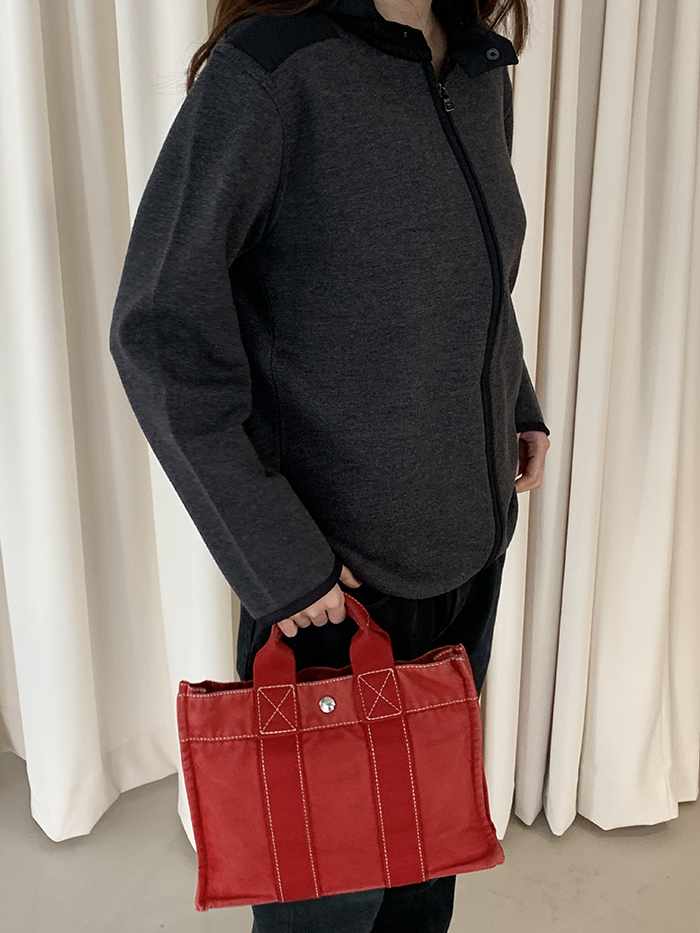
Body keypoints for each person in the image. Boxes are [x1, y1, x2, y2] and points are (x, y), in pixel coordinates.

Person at [109, 0, 550, 929]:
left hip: (467, 559)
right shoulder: (273, 73)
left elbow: (471, 274)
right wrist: (276, 557)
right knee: (330, 902)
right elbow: (157, 330)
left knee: (424, 873)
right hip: (333, 590)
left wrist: (515, 399)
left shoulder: (478, 66)